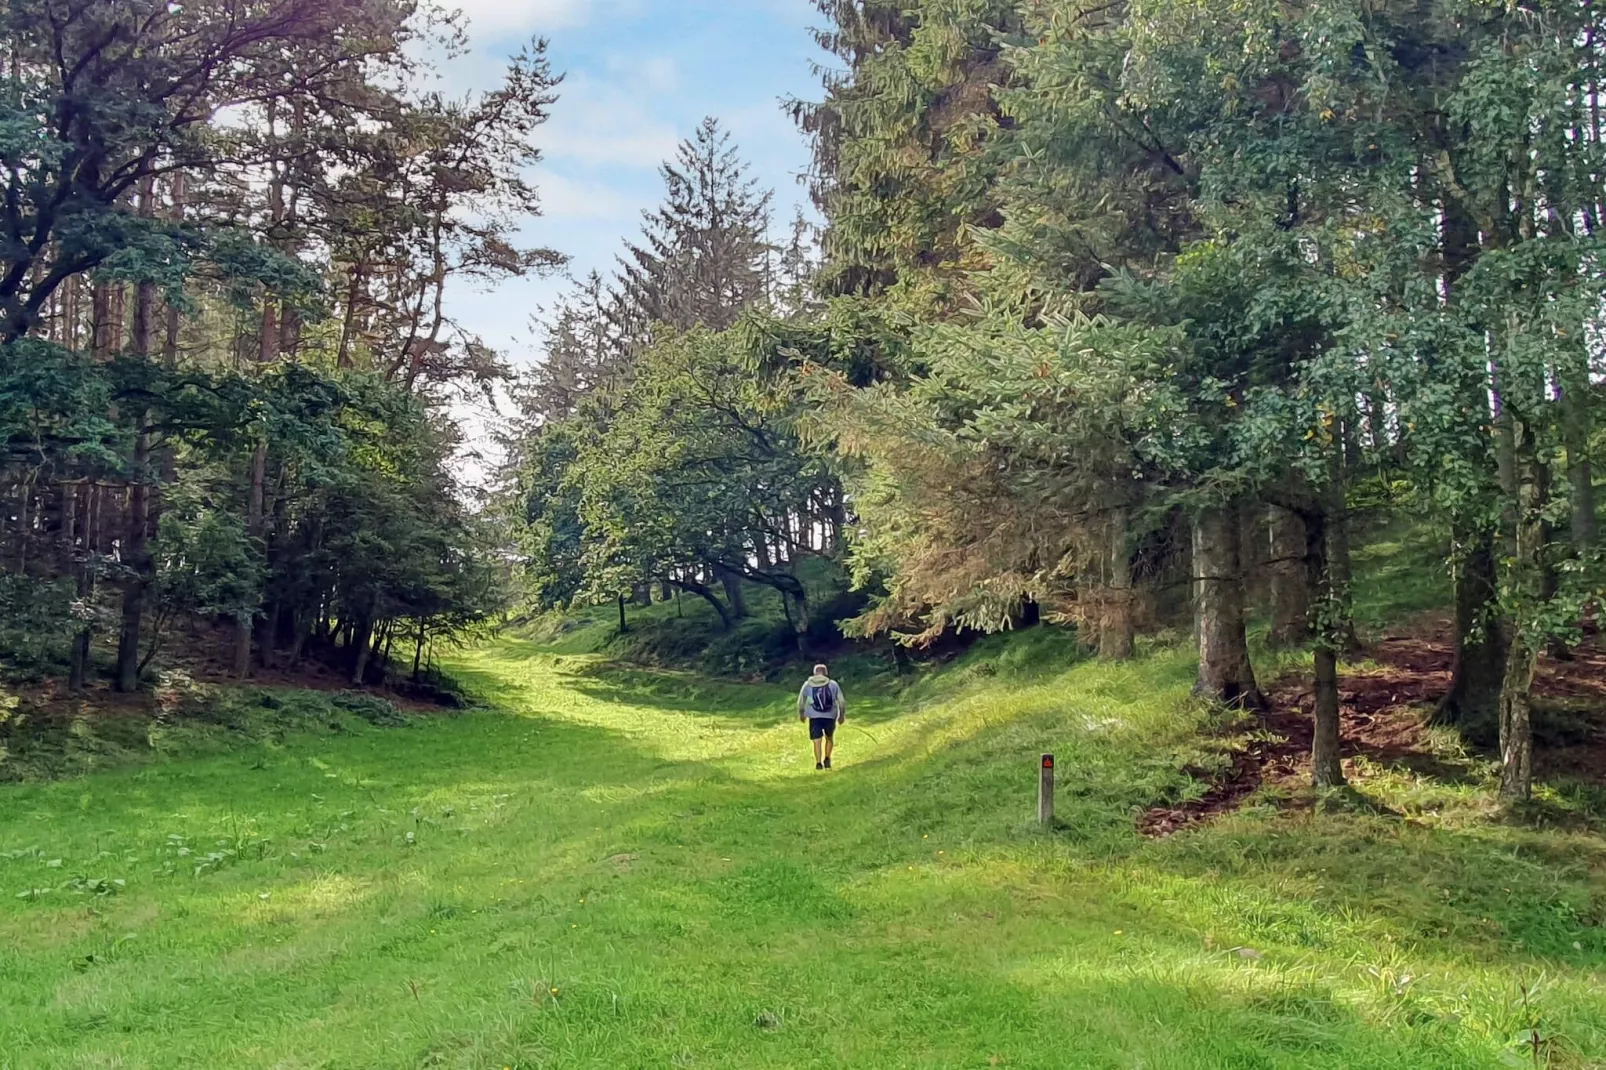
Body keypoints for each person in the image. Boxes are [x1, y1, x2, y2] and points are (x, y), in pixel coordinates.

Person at [797, 663, 845, 770]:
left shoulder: (808, 684)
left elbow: (801, 701)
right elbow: (841, 701)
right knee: (829, 738)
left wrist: (802, 713)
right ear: (826, 673)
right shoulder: (833, 684)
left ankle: (818, 763)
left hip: (814, 716)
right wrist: (842, 714)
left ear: (814, 673)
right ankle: (827, 758)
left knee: (816, 740)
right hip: (830, 716)